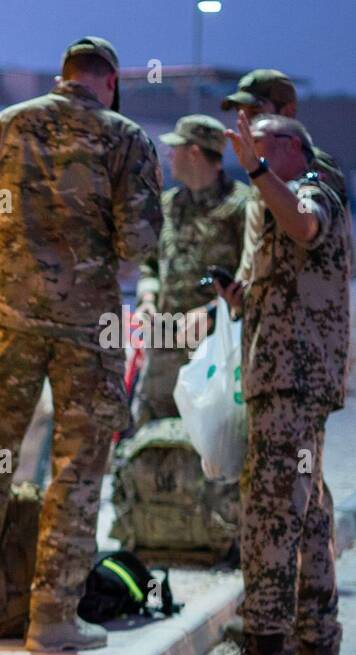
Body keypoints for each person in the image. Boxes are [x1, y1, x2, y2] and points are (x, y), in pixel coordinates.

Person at [0, 36, 162, 652]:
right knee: (77, 472)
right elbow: (140, 241)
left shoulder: (7, 126)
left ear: (64, 76)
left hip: (13, 321)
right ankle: (52, 618)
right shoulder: (126, 139)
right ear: (109, 82)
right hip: (89, 332)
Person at [193, 113, 351, 655]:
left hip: (294, 381)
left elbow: (306, 227)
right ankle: (316, 647)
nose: (246, 156)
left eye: (256, 147)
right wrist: (241, 300)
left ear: (292, 148)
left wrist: (257, 172)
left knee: (267, 512)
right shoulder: (272, 201)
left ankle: (263, 653)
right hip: (284, 378)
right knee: (305, 515)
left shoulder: (313, 188)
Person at [133, 114, 249, 425]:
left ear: (195, 153)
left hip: (216, 345)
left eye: (176, 149)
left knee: (211, 438)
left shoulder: (241, 207)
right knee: (150, 429)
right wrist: (147, 298)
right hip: (165, 339)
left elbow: (253, 275)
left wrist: (212, 311)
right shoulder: (168, 205)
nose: (169, 156)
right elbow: (150, 264)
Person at [221, 70, 347, 288]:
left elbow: (315, 230)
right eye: (240, 113)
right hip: (260, 312)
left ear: (287, 111)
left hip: (306, 313)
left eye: (254, 112)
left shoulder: (310, 165)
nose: (246, 123)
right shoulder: (259, 167)